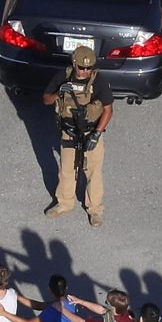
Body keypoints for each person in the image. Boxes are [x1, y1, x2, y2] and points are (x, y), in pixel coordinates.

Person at [42, 45, 113, 227]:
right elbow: (46, 99)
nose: (85, 71)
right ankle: (65, 203)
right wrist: (59, 93)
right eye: (81, 67)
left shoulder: (98, 81)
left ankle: (95, 209)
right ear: (74, 64)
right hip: (69, 131)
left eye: (89, 68)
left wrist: (96, 135)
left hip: (90, 131)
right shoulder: (63, 77)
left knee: (93, 172)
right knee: (66, 169)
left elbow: (108, 110)